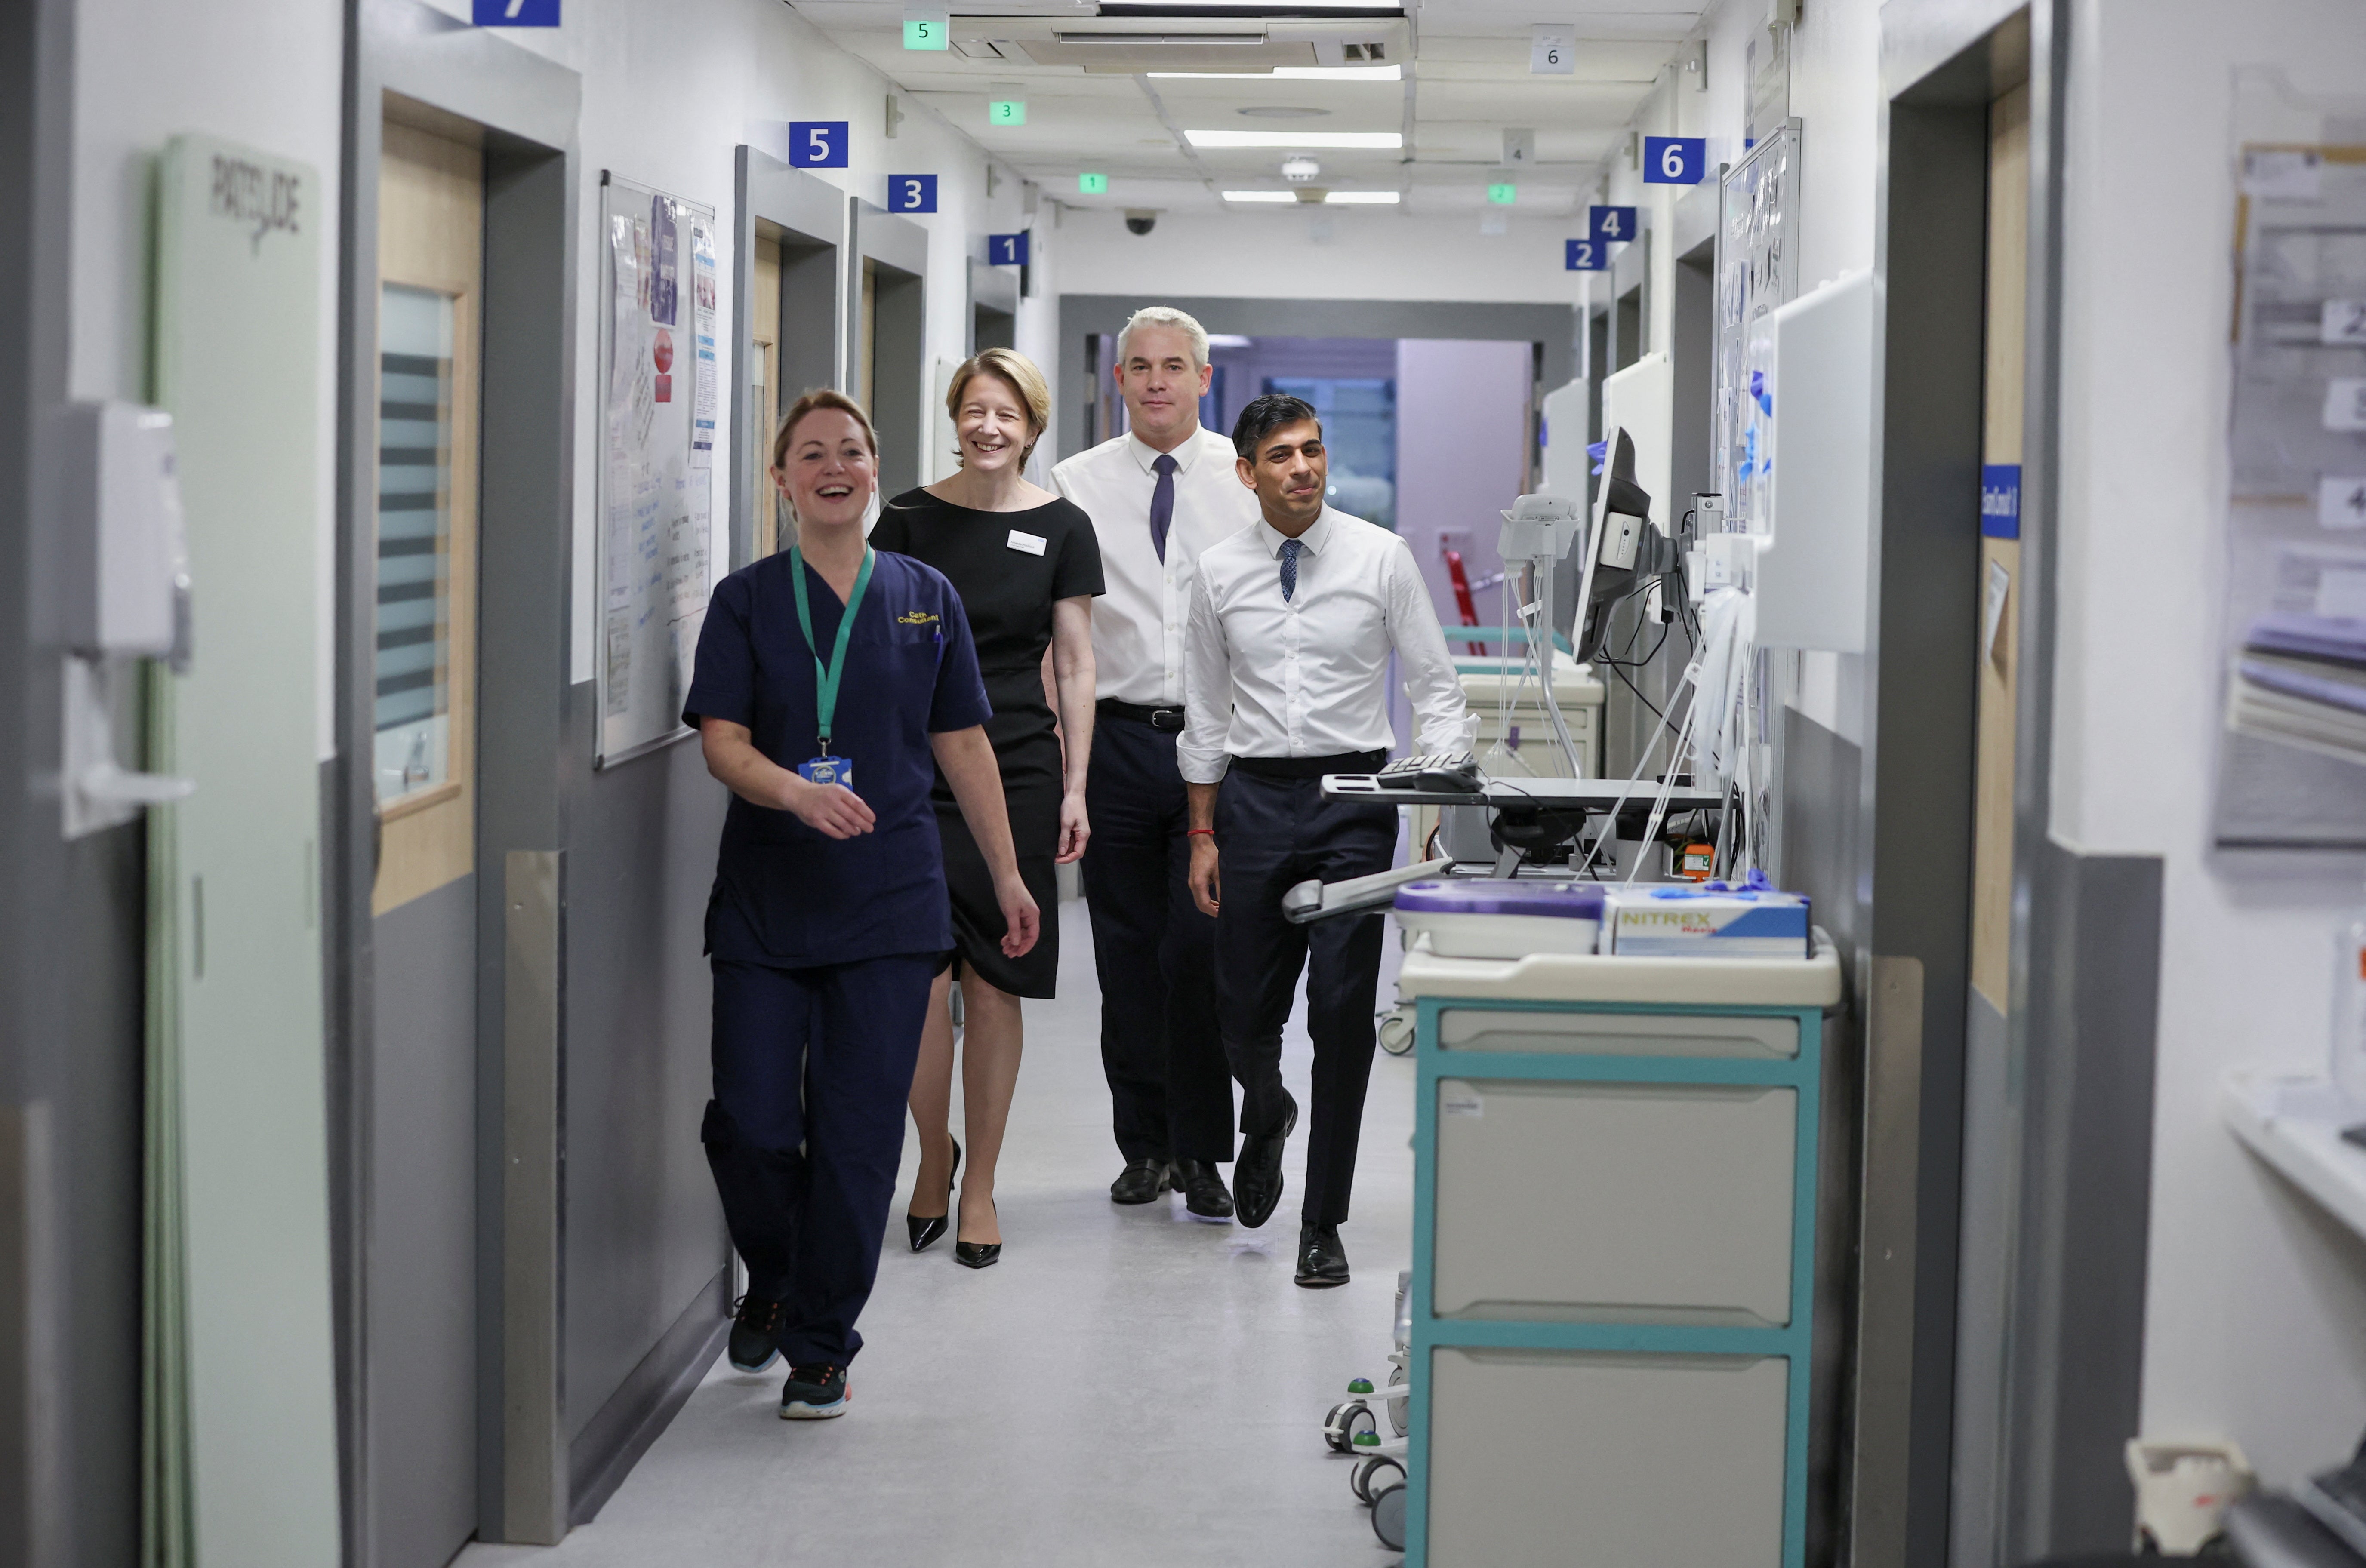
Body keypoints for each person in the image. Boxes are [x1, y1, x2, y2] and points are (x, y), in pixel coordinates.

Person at [685, 388, 1039, 1419]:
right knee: (750, 1125)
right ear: (781, 477)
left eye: (851, 450)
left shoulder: (925, 594)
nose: (832, 466)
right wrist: (795, 790)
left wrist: (1009, 874)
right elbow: (721, 739)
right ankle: (780, 1271)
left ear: (876, 468)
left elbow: (963, 743)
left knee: (856, 1132)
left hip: (889, 908)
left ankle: (821, 1340)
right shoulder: (746, 600)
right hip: (766, 902)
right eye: (810, 453)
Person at [1180, 392, 1473, 1289]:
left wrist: (1434, 782)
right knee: (1240, 1009)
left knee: (1341, 1012)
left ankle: (1322, 1222)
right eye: (1279, 456)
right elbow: (1203, 708)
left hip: (1354, 799)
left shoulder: (1379, 557)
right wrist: (1200, 832)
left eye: (1310, 451)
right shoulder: (1218, 570)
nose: (1300, 468)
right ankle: (1264, 1112)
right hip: (1252, 801)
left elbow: (1437, 685)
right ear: (1247, 473)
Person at [872, 348, 1103, 1267]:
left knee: (996, 979)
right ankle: (933, 1152)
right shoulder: (906, 520)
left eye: (1005, 412)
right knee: (918, 987)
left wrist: (1077, 782)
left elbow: (1077, 663)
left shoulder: (1062, 525)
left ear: (1032, 425)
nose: (987, 426)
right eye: (973, 408)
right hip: (911, 767)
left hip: (1015, 762)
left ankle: (980, 1186)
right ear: (954, 416)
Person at [1052, 307, 1261, 1219]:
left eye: (1173, 365)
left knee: (1202, 948)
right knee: (1126, 953)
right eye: (1138, 365)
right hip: (1118, 742)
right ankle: (1144, 1146)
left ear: (1204, 379)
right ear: (1118, 378)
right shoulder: (1072, 483)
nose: (1155, 381)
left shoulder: (1245, 480)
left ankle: (1202, 1150)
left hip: (1217, 747)